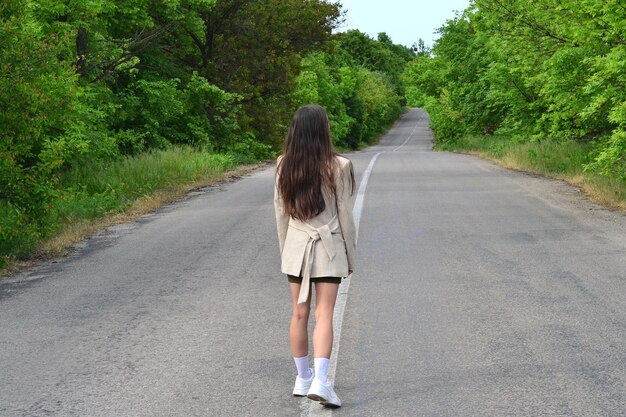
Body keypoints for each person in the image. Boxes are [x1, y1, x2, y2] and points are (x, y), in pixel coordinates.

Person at [274, 104, 357, 408]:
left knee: (299, 313)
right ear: (324, 130)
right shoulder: (339, 166)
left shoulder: (283, 164)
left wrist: (287, 251)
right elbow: (345, 216)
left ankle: (302, 377)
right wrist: (350, 256)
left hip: (297, 248)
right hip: (328, 246)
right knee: (324, 315)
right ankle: (322, 382)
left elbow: (281, 214)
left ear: (294, 131)